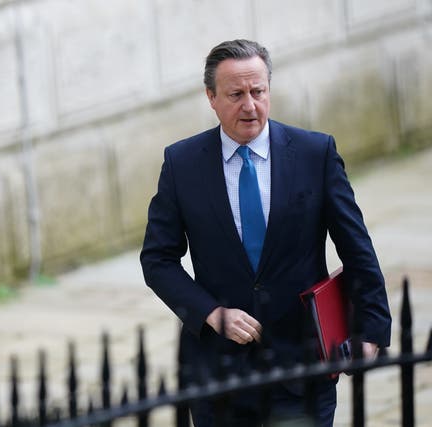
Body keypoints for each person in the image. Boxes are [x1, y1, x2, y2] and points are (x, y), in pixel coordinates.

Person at [140, 39, 391, 426]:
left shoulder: (315, 153)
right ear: (211, 97)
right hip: (218, 373)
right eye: (236, 94)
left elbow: (357, 248)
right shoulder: (181, 163)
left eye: (258, 92)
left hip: (302, 363)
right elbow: (157, 259)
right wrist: (211, 313)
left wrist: (372, 331)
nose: (250, 106)